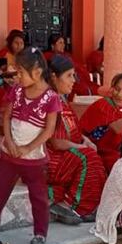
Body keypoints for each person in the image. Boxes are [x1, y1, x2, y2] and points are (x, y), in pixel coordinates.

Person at [0, 48, 61, 244]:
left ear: (36, 72)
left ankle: (40, 232)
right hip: (9, 154)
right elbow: (6, 117)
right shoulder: (16, 91)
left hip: (34, 158)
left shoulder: (51, 98)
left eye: (21, 72)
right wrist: (9, 142)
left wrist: (27, 148)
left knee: (38, 196)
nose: (17, 77)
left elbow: (48, 131)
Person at [46, 55, 107, 225]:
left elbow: (75, 131)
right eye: (69, 76)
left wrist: (85, 140)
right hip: (51, 159)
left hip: (65, 153)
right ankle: (70, 205)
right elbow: (56, 142)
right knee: (87, 158)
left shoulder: (63, 100)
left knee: (94, 155)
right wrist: (81, 147)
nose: (73, 80)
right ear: (53, 77)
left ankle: (88, 206)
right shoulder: (50, 101)